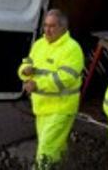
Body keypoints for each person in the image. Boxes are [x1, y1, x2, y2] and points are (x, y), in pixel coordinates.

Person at [18, 9, 84, 166]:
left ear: (63, 28)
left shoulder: (72, 49)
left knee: (46, 152)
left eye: (52, 26)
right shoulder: (39, 44)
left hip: (61, 109)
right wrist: (25, 71)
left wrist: (38, 84)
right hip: (41, 108)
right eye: (45, 25)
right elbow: (26, 62)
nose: (47, 30)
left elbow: (65, 78)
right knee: (55, 150)